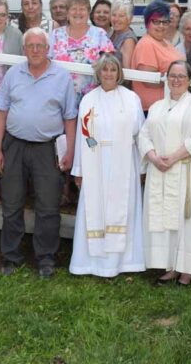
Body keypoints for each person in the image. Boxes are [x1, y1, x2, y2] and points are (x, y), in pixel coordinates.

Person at [0, 28, 77, 278]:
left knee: (48, 206)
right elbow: (1, 112)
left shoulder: (61, 77)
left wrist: (69, 151)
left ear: (48, 49)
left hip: (47, 148)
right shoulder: (13, 74)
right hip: (14, 145)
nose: (36, 50)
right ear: (24, 49)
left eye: (40, 45)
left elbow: (70, 117)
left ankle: (46, 258)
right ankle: (10, 257)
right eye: (31, 46)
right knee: (12, 203)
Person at [139, 60, 191, 286]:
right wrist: (153, 157)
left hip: (186, 170)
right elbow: (144, 135)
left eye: (182, 76)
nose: (176, 80)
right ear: (166, 78)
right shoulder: (156, 107)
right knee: (165, 220)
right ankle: (170, 265)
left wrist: (172, 158)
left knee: (187, 220)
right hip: (161, 171)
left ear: (190, 80)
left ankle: (187, 269)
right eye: (172, 75)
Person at [69, 53, 145, 277]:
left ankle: (123, 263)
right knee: (95, 209)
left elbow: (141, 134)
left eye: (113, 70)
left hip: (124, 161)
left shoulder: (131, 99)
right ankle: (90, 263)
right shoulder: (89, 100)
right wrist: (79, 170)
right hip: (96, 162)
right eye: (105, 70)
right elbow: (84, 137)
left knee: (124, 209)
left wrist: (142, 167)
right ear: (98, 73)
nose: (109, 74)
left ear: (119, 73)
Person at [48, 0, 115, 106]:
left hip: (93, 99)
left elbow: (110, 63)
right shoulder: (56, 35)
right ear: (68, 13)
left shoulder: (99, 34)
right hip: (60, 97)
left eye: (82, 9)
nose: (78, 13)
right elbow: (46, 62)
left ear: (89, 12)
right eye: (74, 9)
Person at [130, 0, 183, 113]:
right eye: (156, 22)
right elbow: (149, 80)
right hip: (154, 110)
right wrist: (178, 79)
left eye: (165, 22)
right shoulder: (146, 44)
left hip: (170, 107)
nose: (161, 26)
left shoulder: (165, 42)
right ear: (147, 23)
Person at [109, 0, 138, 69]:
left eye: (121, 16)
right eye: (114, 15)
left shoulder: (128, 40)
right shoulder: (114, 33)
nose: (116, 19)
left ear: (129, 19)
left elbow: (127, 71)